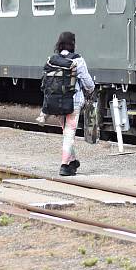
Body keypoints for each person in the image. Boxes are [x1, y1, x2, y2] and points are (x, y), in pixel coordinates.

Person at [50, 31, 94, 177]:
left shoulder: (53, 59)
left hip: (55, 101)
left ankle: (73, 161)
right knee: (69, 134)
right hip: (73, 102)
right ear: (73, 43)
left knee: (66, 133)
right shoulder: (78, 60)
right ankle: (64, 165)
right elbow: (87, 81)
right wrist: (91, 89)